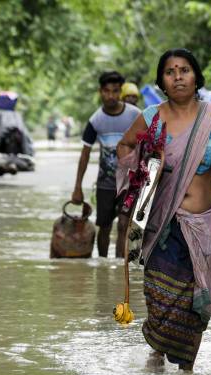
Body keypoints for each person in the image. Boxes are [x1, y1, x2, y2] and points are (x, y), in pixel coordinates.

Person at [116, 49, 211, 370]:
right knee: (162, 298)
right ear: (162, 81)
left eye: (185, 70)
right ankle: (156, 351)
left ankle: (186, 373)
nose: (178, 77)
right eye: (170, 72)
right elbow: (124, 148)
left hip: (204, 225)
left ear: (196, 77)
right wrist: (148, 162)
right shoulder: (151, 116)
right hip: (161, 226)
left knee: (196, 300)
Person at [72, 71, 141, 257]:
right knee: (104, 226)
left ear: (120, 92)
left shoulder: (136, 115)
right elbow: (85, 154)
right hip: (105, 183)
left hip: (130, 181)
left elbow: (150, 146)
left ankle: (119, 266)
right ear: (100, 92)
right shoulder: (96, 120)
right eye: (106, 91)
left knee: (124, 224)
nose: (110, 96)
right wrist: (77, 187)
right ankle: (103, 264)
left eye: (115, 91)